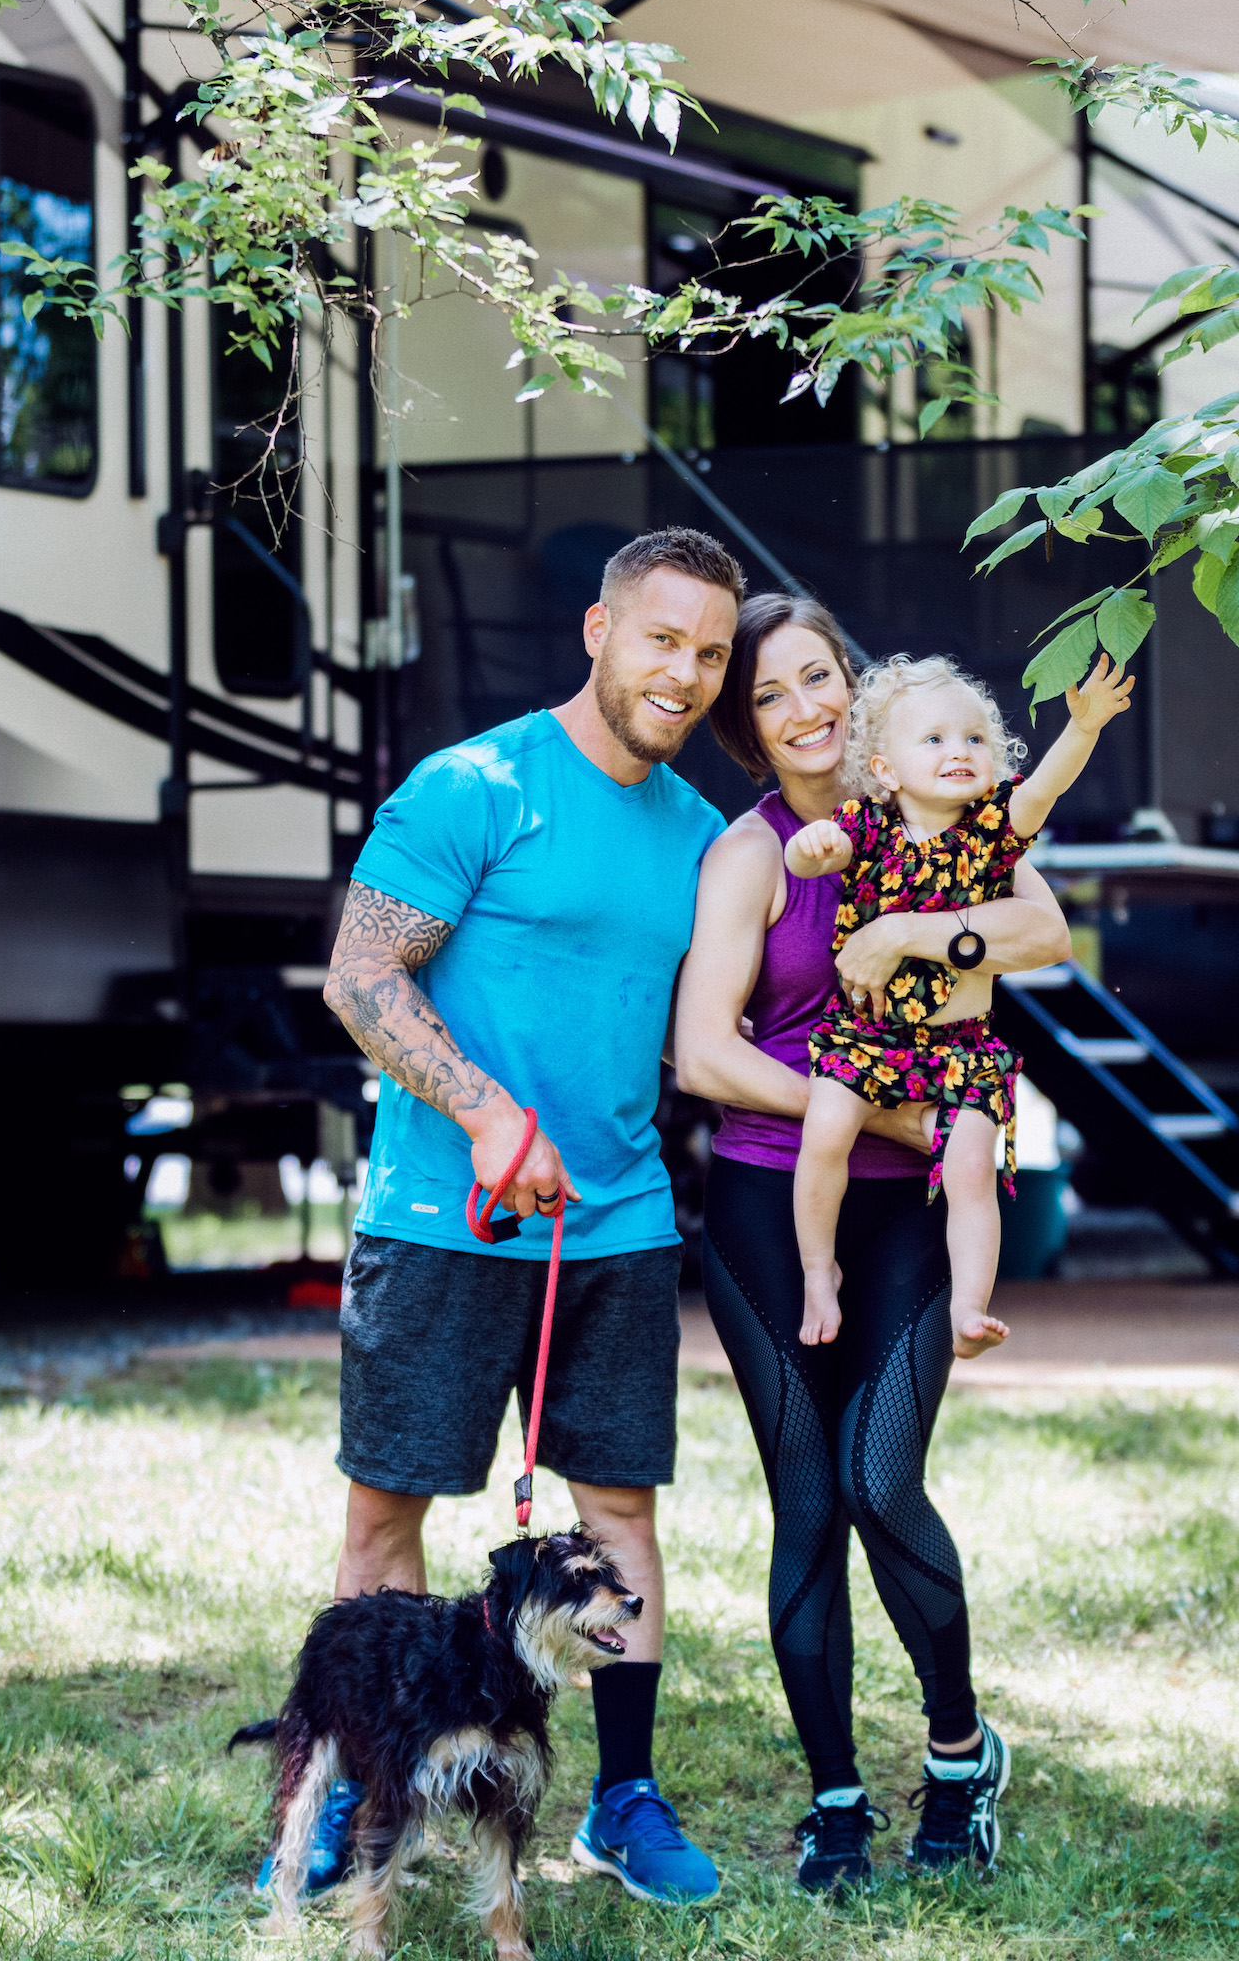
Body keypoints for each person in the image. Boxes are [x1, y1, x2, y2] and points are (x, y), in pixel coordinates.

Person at [294, 526, 743, 1908]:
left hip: (616, 1229)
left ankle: (622, 1799)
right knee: (389, 1519)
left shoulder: (704, 840)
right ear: (600, 634)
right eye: (662, 639)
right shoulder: (475, 785)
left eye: (712, 653)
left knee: (618, 1517)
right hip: (446, 1217)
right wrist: (489, 1111)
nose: (685, 673)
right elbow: (360, 977)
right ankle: (357, 1790)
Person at [670, 596, 1074, 1892]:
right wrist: (873, 1105)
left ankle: (959, 1756)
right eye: (774, 694)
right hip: (766, 1210)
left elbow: (1038, 931)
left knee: (881, 1478)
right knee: (806, 1504)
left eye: (823, 676)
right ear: (746, 727)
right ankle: (834, 1797)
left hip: (906, 1210)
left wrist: (914, 932)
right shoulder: (748, 855)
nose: (809, 708)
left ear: (857, 685)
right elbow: (706, 1052)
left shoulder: (936, 812)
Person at [783, 651, 1138, 1351]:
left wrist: (1085, 728)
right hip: (867, 1036)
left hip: (961, 1049)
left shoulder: (991, 838)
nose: (960, 751)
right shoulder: (869, 827)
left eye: (975, 739)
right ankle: (819, 1272)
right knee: (824, 1134)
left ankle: (968, 1310)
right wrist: (812, 844)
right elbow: (805, 859)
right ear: (885, 769)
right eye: (935, 739)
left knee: (971, 1168)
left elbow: (1044, 789)